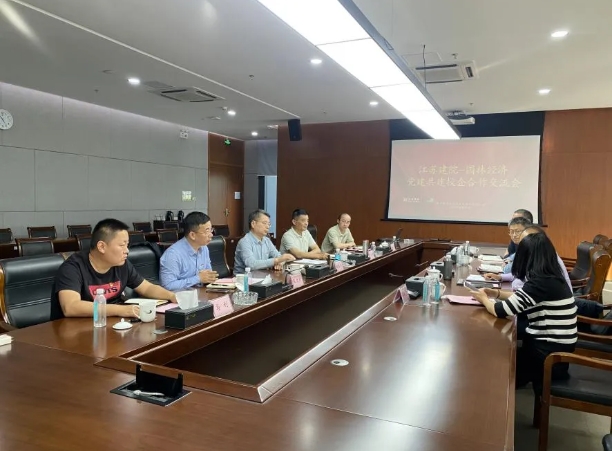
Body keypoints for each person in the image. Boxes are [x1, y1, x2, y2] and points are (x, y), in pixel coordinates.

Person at [470, 232, 577, 393]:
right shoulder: (551, 278)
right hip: (555, 352)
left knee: (495, 370)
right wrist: (495, 293)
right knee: (499, 355)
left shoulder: (540, 283)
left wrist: (483, 299)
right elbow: (522, 297)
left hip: (547, 357)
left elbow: (500, 310)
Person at [51, 218, 176, 319]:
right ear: (101, 247)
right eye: (122, 245)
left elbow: (146, 287)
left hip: (110, 323)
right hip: (76, 331)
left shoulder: (121, 264)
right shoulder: (72, 268)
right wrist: (120, 310)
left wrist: (172, 296)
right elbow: (71, 307)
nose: (127, 251)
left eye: (127, 245)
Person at [486, 224, 572, 292]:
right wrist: (500, 277)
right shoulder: (535, 255)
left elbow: (525, 289)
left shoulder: (545, 263)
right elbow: (520, 274)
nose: (523, 243)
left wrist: (495, 294)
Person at [159, 211, 218, 290]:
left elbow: (208, 276)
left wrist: (211, 278)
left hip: (200, 293)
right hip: (180, 296)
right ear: (192, 235)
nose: (211, 235)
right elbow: (168, 286)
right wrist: (198, 279)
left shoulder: (204, 248)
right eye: (207, 231)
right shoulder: (173, 255)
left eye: (211, 230)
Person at [234, 209, 295, 274]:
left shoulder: (267, 240)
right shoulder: (245, 242)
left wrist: (280, 263)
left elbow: (279, 256)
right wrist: (276, 261)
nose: (267, 227)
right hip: (244, 278)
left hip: (262, 277)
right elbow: (251, 264)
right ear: (253, 224)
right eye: (264, 223)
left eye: (269, 224)